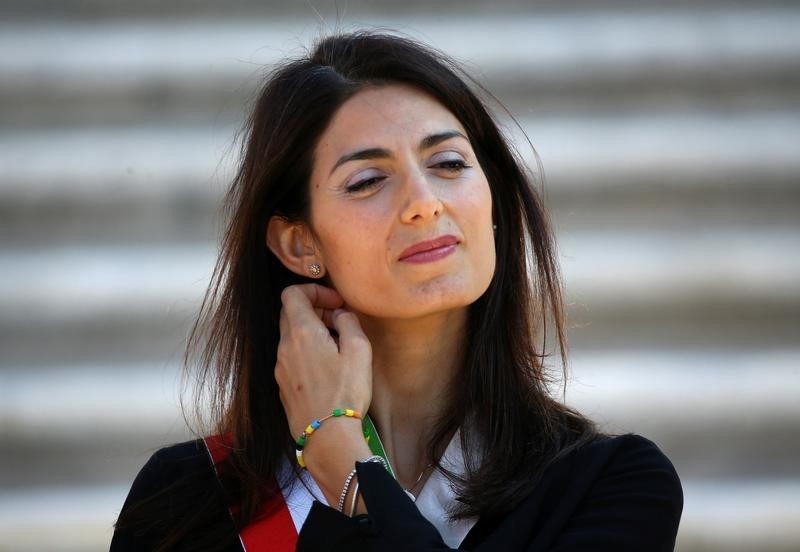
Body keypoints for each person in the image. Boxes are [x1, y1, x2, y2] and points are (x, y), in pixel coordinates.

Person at [111, 31, 682, 551]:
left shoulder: (611, 486)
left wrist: (345, 463)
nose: (425, 201)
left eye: (450, 163)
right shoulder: (190, 503)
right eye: (367, 181)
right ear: (298, 244)